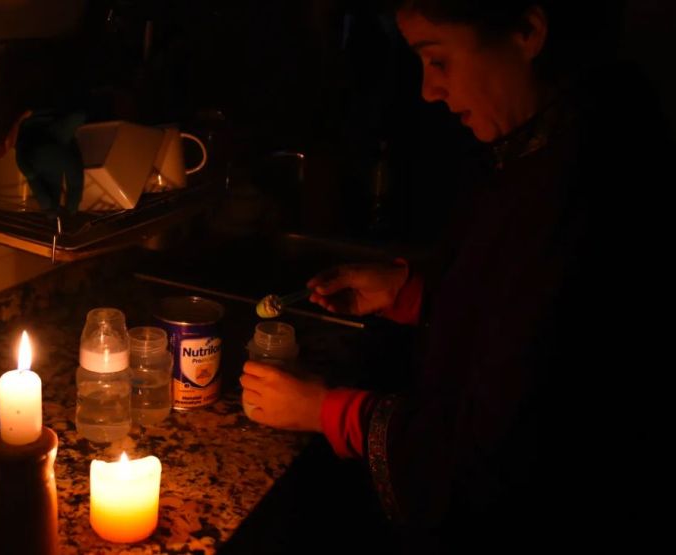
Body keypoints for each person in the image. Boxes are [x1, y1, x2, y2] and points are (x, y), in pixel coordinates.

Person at [239, 1, 672, 553]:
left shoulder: (591, 182)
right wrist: (414, 293)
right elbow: (517, 309)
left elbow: (500, 449)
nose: (428, 91)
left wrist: (324, 410)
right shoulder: (546, 142)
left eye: (438, 60)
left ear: (527, 30)